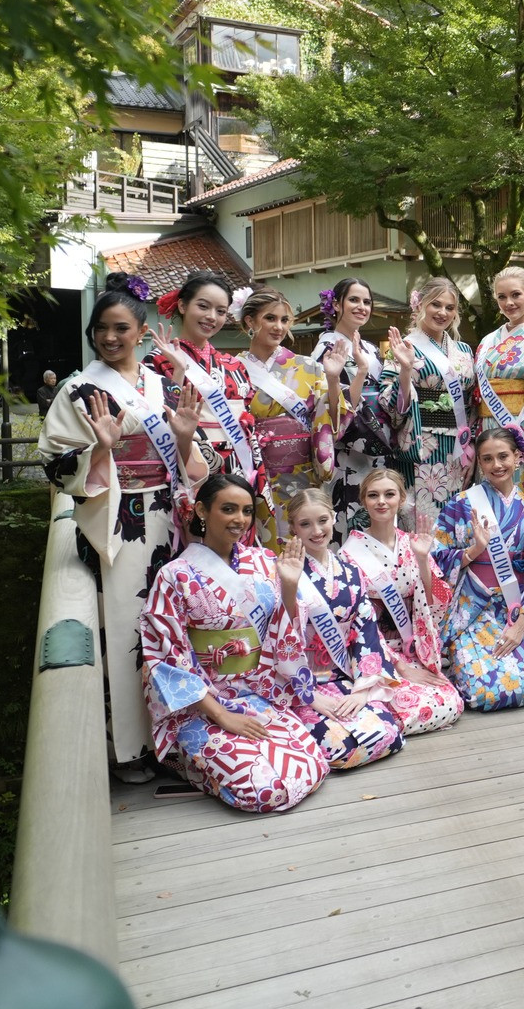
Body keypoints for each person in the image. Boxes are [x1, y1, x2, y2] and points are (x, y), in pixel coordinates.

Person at [40, 272, 210, 771]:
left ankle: (176, 734)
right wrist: (101, 448)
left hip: (170, 517)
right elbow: (54, 462)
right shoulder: (77, 389)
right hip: (119, 516)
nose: (110, 338)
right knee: (127, 626)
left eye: (120, 328)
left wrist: (182, 436)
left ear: (141, 331)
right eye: (101, 329)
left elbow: (193, 463)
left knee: (175, 625)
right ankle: (129, 745)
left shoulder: (160, 385)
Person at [136, 473, 332, 812]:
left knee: (315, 765)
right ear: (201, 511)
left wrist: (288, 584)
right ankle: (185, 760)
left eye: (245, 511)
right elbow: (164, 657)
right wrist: (222, 716)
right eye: (228, 509)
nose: (239, 520)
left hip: (258, 694)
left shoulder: (262, 561)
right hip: (201, 707)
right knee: (264, 791)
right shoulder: (174, 575)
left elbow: (284, 630)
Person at [431, 426, 524, 710]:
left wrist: (521, 624)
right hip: (471, 608)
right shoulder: (462, 505)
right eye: (487, 459)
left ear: (518, 457)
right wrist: (473, 551)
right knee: (485, 694)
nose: (497, 465)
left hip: (515, 609)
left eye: (503, 456)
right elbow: (437, 557)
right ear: (479, 463)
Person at [280, 489, 408, 767]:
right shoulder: (281, 571)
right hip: (303, 685)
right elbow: (279, 637)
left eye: (323, 521)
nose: (317, 531)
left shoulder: (350, 571)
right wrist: (310, 696)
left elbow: (366, 630)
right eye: (305, 524)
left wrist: (362, 690)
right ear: (292, 528)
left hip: (345, 678)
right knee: (340, 748)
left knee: (389, 736)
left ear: (334, 519)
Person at [342, 467, 462, 722]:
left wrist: (421, 559)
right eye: (373, 495)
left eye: (389, 494)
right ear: (363, 501)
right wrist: (402, 668)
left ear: (402, 499)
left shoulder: (412, 543)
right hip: (376, 651)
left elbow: (436, 602)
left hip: (414, 645)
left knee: (450, 702)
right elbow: (356, 622)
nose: (381, 501)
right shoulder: (349, 554)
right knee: (412, 709)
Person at [236, 286, 339, 546]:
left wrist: (334, 380)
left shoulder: (310, 367)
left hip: (302, 473)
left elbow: (330, 417)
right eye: (270, 318)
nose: (279, 327)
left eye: (284, 320)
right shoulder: (233, 370)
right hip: (257, 473)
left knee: (305, 539)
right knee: (264, 544)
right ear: (250, 321)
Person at [314, 276, 412, 539]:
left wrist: (404, 370)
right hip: (350, 448)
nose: (362, 307)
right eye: (353, 300)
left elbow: (388, 400)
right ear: (336, 305)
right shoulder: (327, 347)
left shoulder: (369, 347)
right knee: (352, 520)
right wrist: (361, 373)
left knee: (380, 522)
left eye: (366, 302)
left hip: (379, 444)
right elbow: (335, 408)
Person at [146, 270, 258, 486]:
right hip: (189, 464)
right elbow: (154, 420)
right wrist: (178, 373)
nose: (212, 317)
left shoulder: (234, 365)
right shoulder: (157, 361)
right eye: (203, 306)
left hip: (236, 464)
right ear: (182, 306)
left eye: (221, 311)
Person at [400, 274, 479, 519]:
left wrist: (472, 443)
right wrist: (404, 370)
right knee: (422, 519)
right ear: (420, 304)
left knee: (454, 520)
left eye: (449, 307)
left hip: (458, 446)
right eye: (436, 304)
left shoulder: (464, 350)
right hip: (421, 444)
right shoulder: (405, 347)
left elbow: (471, 402)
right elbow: (391, 402)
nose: (442, 312)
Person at [473, 265, 524, 495]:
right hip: (487, 426)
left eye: (516, 294)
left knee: (521, 492)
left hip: (523, 429)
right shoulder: (488, 341)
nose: (509, 302)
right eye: (502, 297)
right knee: (489, 490)